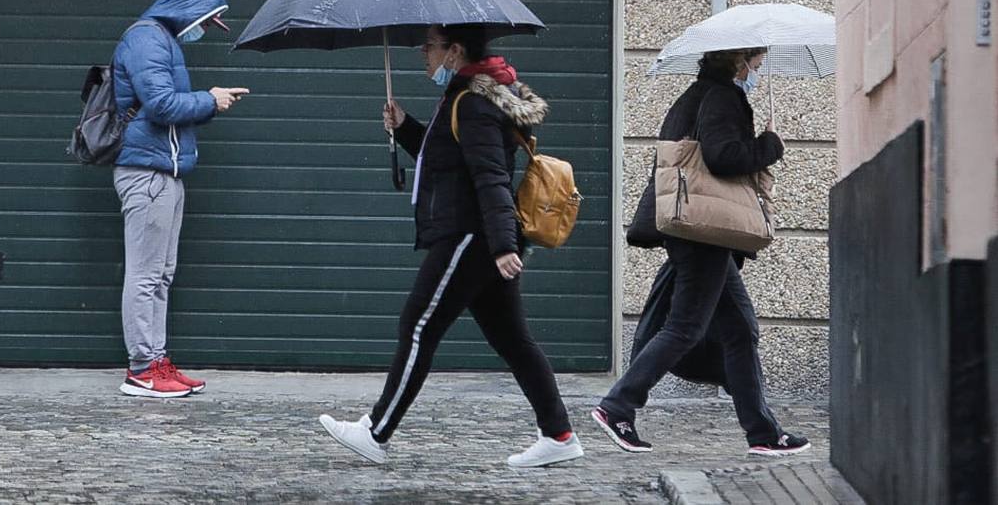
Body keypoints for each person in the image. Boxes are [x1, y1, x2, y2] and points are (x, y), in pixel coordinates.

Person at [318, 24, 582, 468]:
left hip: (471, 237)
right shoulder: (467, 96)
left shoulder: (474, 102)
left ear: (455, 51)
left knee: (417, 327)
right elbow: (447, 157)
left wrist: (501, 245)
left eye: (431, 46)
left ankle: (375, 431)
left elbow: (490, 175)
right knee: (514, 340)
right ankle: (559, 434)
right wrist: (405, 128)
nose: (424, 54)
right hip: (479, 237)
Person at [600, 48, 810, 456]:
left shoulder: (693, 96)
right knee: (685, 327)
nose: (757, 74)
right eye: (757, 65)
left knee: (739, 329)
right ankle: (618, 406)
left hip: (695, 230)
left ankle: (763, 433)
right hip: (705, 232)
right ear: (738, 62)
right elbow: (722, 157)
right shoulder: (722, 97)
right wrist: (769, 146)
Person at [111, 0, 249, 399]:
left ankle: (158, 361)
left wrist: (210, 101)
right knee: (146, 274)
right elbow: (161, 105)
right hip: (146, 173)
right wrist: (210, 100)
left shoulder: (162, 41)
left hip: (164, 173)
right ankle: (142, 369)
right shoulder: (147, 40)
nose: (203, 31)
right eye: (205, 23)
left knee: (162, 275)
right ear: (187, 10)